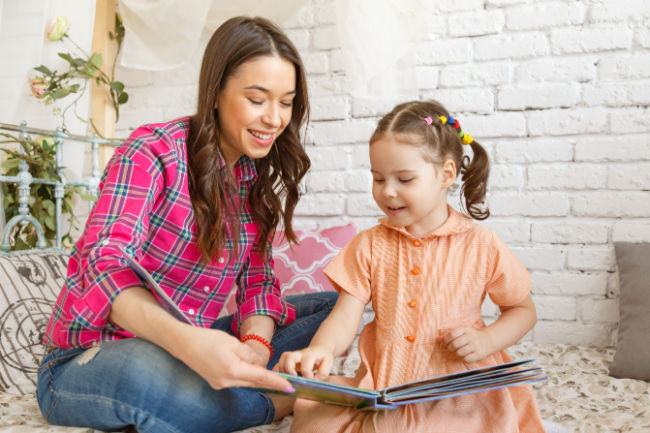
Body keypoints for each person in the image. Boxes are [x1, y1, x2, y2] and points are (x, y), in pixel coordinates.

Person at [36, 16, 337, 433]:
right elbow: (103, 265)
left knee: (332, 310)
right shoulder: (151, 153)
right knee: (143, 372)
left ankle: (224, 384)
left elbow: (259, 287)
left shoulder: (253, 184)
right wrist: (190, 344)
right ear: (215, 93)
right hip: (91, 357)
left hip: (189, 345)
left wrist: (255, 344)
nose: (274, 118)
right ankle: (277, 403)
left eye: (286, 102)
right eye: (257, 99)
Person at [277, 100, 545, 433]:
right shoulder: (370, 244)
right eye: (378, 179)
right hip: (390, 385)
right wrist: (322, 348)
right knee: (315, 422)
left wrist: (488, 340)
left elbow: (522, 309)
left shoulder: (481, 244)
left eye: (404, 179)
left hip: (457, 390)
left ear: (446, 174)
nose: (387, 192)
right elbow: (345, 316)